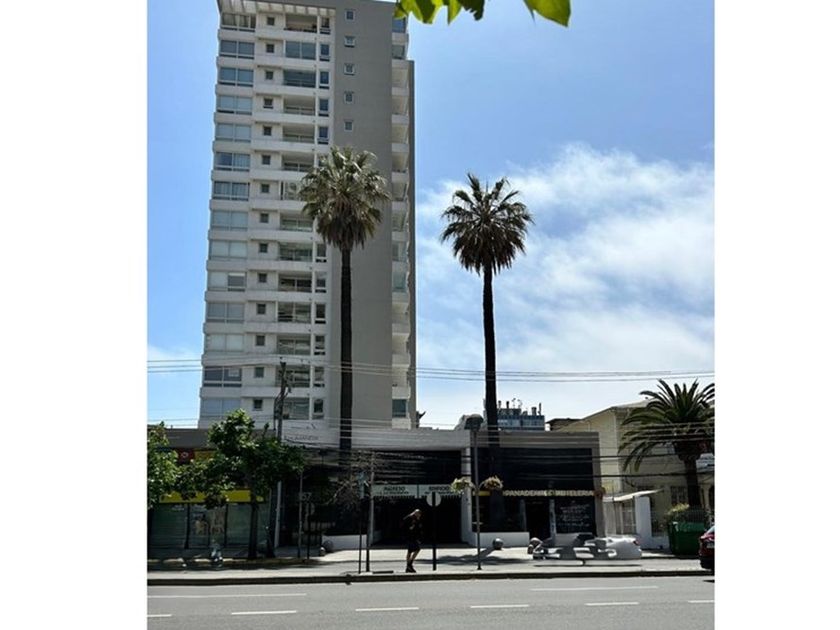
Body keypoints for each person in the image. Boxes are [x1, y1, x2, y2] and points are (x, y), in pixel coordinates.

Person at [402, 508, 422, 573]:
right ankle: (409, 565)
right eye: (417, 513)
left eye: (419, 514)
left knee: (411, 551)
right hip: (410, 537)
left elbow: (418, 529)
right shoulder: (410, 518)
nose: (418, 515)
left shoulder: (416, 519)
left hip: (414, 537)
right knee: (415, 550)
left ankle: (408, 566)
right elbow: (404, 523)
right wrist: (409, 528)